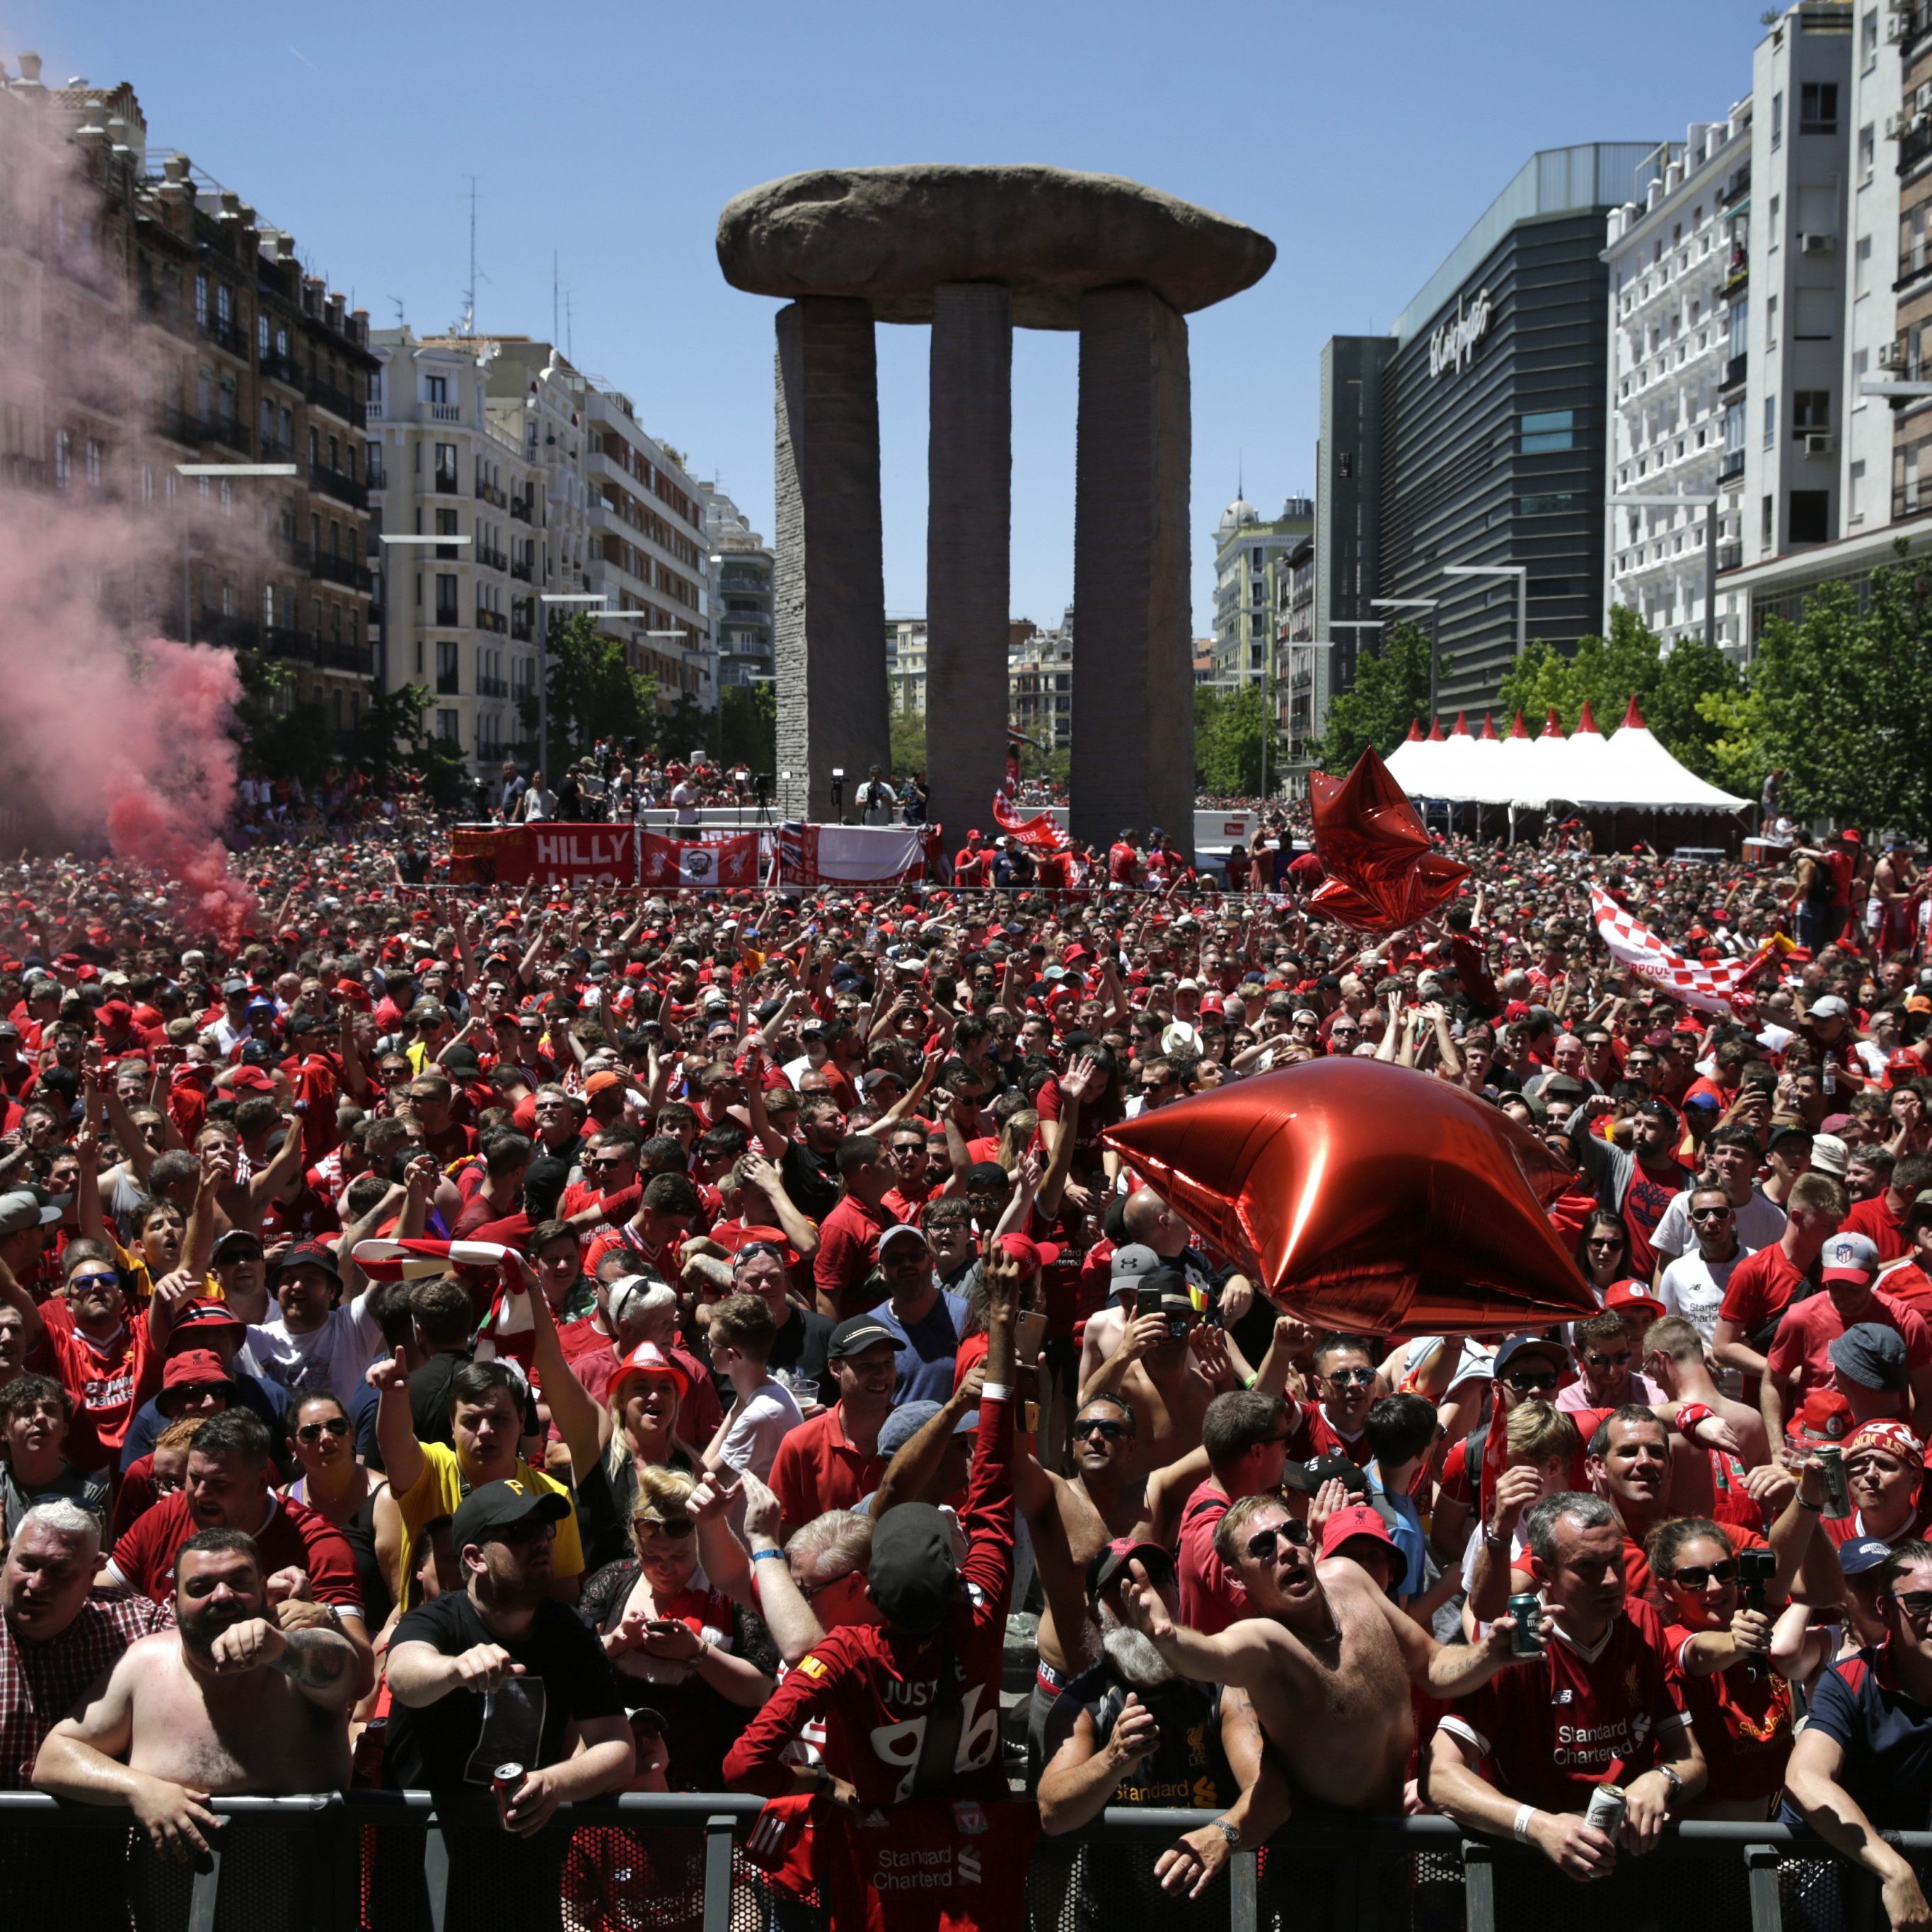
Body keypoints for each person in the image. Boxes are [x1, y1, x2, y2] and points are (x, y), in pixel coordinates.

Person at [34, 1527, 361, 1921]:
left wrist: (282, 1648)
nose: (222, 1596)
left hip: (303, 1907)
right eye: (202, 1586)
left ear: (262, 1590)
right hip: (171, 1910)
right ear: (173, 1603)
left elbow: (342, 1669)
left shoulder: (300, 1658)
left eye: (239, 1582)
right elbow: (54, 1759)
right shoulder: (145, 1662)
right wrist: (140, 1789)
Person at [379, 1480, 635, 1928]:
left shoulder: (570, 1630)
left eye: (544, 1529)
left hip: (523, 1873)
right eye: (518, 1533)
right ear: (475, 1558)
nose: (540, 1541)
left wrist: (555, 1783)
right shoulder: (435, 1619)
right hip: (425, 1869)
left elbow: (617, 1747)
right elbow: (404, 1676)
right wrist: (455, 1669)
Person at [1428, 1493, 1707, 1893]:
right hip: (1529, 1876)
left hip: (1632, 1874)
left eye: (1614, 1561)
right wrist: (1540, 1826)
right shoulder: (1514, 1647)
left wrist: (1661, 1780)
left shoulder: (1643, 1623)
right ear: (1543, 1573)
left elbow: (1692, 1761)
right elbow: (1439, 1777)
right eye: (1587, 1567)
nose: (1610, 1580)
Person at [575, 1464, 775, 1788]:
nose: (665, 1567)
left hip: (708, 1775)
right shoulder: (613, 1581)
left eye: (679, 1555)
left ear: (699, 1541)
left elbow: (759, 1692)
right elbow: (574, 1674)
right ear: (635, 1544)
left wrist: (698, 1652)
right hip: (623, 1776)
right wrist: (614, 1645)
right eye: (652, 1555)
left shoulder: (731, 1586)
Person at [1783, 1539, 1932, 1928]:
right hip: (1839, 1862)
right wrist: (1894, 1870)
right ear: (1885, 1612)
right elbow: (1804, 1778)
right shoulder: (1850, 1678)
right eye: (1920, 1604)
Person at [1648, 1515, 1793, 1819]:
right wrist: (1737, 1642)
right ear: (1667, 1589)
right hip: (1709, 1843)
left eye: (1724, 1571)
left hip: (1775, 1822)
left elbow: (1817, 1587)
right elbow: (1698, 1654)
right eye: (1693, 1578)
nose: (1714, 1587)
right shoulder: (1671, 1639)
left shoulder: (1756, 1618)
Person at [767, 1314, 894, 1537]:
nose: (881, 1374)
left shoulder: (918, 1437)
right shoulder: (800, 1445)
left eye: (888, 1363)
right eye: (867, 1365)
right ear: (835, 1369)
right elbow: (782, 1534)